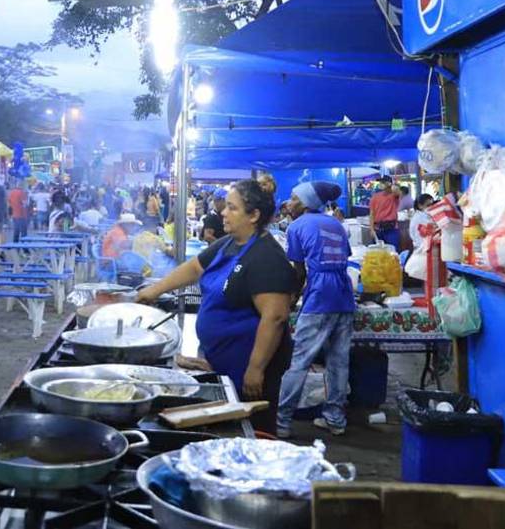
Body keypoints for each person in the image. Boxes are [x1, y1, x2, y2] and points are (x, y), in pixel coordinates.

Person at [138, 175, 297, 434]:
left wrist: (255, 369)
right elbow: (194, 267)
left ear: (253, 215)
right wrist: (153, 291)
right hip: (222, 361)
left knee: (249, 429)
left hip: (250, 366)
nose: (223, 212)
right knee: (223, 427)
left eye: (232, 207)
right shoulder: (229, 244)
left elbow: (275, 317)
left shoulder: (266, 257)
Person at [276, 181, 355, 438]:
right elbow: (344, 258)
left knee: (300, 359)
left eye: (294, 198)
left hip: (321, 295)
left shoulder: (297, 226)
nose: (288, 203)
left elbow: (299, 272)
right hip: (344, 294)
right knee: (338, 361)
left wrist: (291, 300)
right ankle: (335, 419)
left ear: (307, 203)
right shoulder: (337, 224)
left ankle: (281, 421)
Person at [368, 176, 401, 249]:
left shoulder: (394, 196)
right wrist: (372, 229)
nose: (381, 184)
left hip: (391, 229)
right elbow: (372, 214)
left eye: (383, 182)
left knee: (392, 250)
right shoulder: (375, 197)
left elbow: (397, 191)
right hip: (378, 229)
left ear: (389, 183)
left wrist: (392, 185)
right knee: (378, 252)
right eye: (380, 182)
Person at [7, 179, 30, 243]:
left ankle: (15, 244)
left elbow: (9, 203)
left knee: (16, 230)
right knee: (24, 232)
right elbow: (25, 204)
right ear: (23, 185)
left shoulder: (12, 192)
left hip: (14, 214)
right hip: (22, 215)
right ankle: (25, 248)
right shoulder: (22, 193)